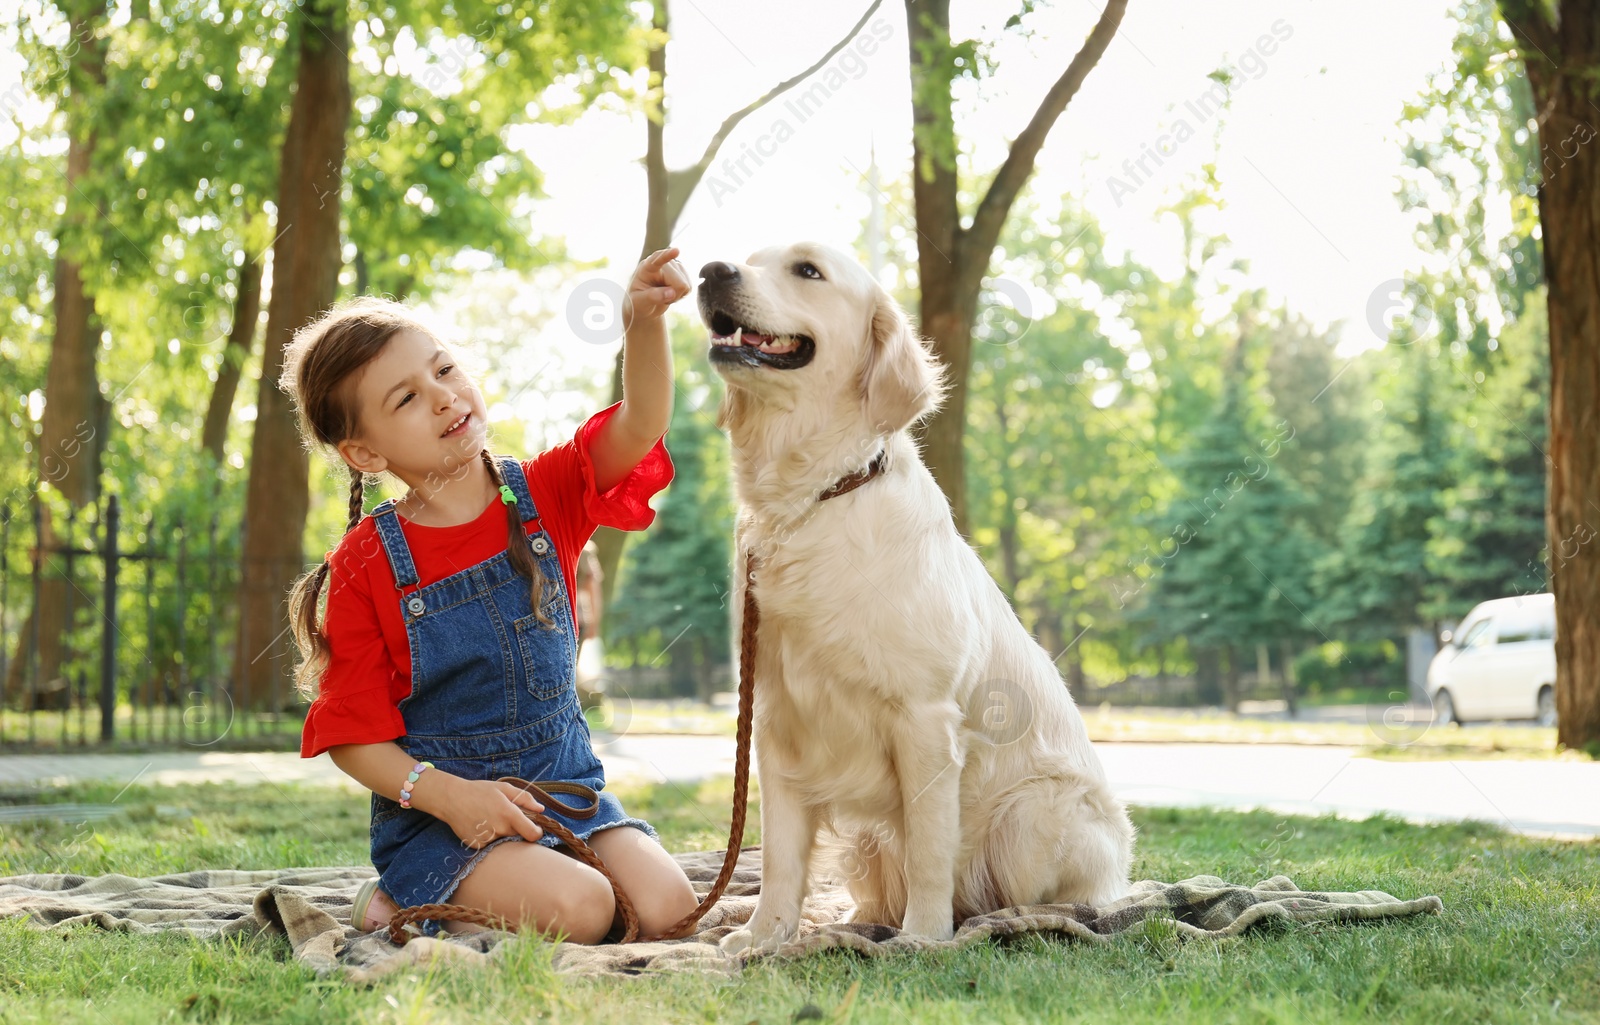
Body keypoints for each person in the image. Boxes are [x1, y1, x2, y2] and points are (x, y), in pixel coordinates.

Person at [282, 248, 697, 944]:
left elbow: (641, 422)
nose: (443, 395)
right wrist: (446, 794)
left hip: (568, 796)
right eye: (406, 398)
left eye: (443, 369)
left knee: (669, 908)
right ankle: (396, 898)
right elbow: (353, 737)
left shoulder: (548, 494)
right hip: (449, 823)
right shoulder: (365, 565)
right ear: (365, 453)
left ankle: (542, 875)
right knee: (587, 908)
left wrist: (643, 323)